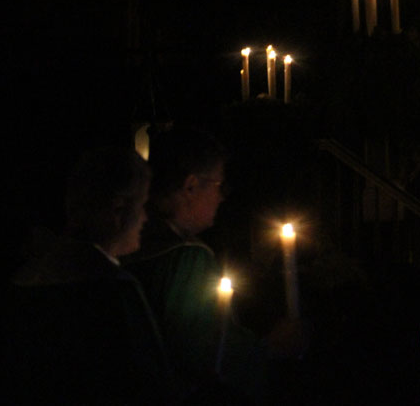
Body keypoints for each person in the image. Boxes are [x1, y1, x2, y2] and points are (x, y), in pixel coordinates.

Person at [124, 128, 304, 404]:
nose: (222, 197)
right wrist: (268, 348)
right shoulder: (187, 259)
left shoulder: (128, 246)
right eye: (219, 185)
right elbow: (205, 351)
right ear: (191, 186)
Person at [3, 146, 176, 404]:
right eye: (141, 205)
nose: (145, 218)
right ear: (118, 210)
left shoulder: (25, 280)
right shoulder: (114, 290)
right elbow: (150, 385)